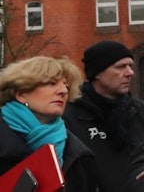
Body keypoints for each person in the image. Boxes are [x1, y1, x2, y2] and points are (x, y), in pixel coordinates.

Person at [64, 41, 144, 192]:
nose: (130, 72)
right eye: (120, 67)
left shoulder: (142, 112)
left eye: (130, 66)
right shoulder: (69, 114)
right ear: (97, 73)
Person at [0, 56, 94, 192]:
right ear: (21, 94)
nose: (63, 91)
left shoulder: (76, 152)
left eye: (66, 85)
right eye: (51, 83)